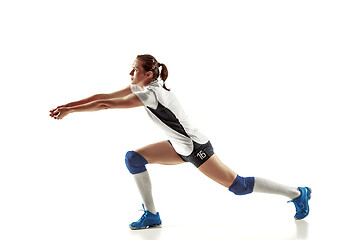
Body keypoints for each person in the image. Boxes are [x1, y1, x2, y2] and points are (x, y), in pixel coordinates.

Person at [50, 54, 311, 230]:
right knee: (134, 158)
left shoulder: (152, 94)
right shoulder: (145, 87)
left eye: (135, 70)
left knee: (239, 186)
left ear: (150, 75)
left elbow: (106, 105)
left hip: (197, 149)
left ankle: (299, 193)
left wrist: (71, 112)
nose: (130, 73)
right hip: (179, 147)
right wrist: (66, 105)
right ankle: (152, 215)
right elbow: (102, 95)